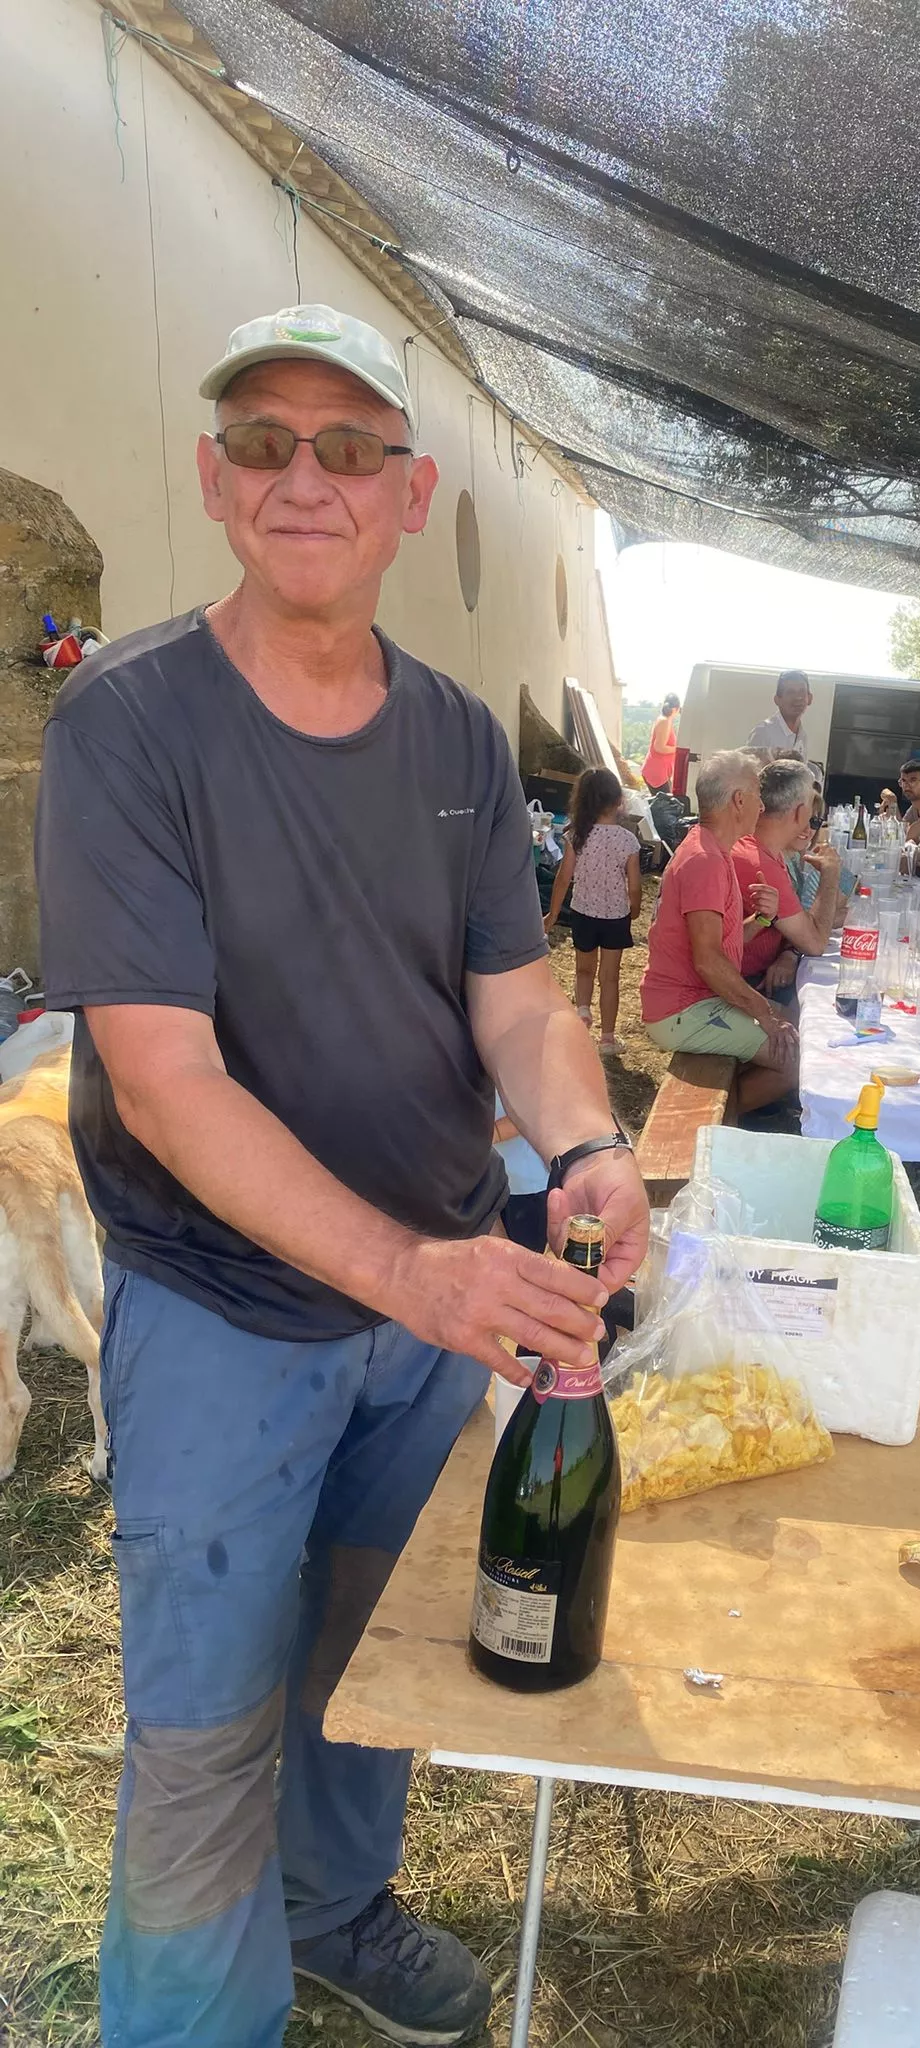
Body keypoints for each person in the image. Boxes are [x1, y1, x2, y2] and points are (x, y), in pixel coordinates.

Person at [34, 303, 649, 2048]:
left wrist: (589, 1143)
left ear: (406, 492)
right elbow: (161, 1081)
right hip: (229, 1314)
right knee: (208, 1720)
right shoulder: (126, 727)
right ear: (216, 484)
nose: (306, 476)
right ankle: (185, 2025)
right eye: (264, 442)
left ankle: (334, 1911)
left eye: (349, 445)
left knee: (365, 1669)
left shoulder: (458, 740)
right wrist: (425, 1276)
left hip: (423, 1316)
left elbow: (521, 1010)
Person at [639, 749, 798, 1111]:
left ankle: (723, 1117)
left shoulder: (711, 848)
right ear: (739, 800)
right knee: (795, 1058)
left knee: (795, 1026)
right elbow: (708, 962)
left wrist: (758, 921)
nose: (762, 806)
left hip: (692, 1001)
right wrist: (762, 1012)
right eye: (758, 794)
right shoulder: (706, 859)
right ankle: (711, 1132)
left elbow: (717, 948)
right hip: (681, 1009)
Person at [543, 767, 642, 1053]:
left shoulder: (577, 836)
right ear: (618, 800)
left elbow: (563, 878)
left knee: (583, 971)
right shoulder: (628, 841)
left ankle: (583, 1012)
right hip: (615, 918)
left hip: (583, 913)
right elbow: (635, 886)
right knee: (610, 978)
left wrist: (552, 914)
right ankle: (608, 1039)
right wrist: (634, 910)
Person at [732, 760, 842, 999]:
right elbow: (815, 944)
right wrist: (831, 875)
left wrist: (790, 952)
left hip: (749, 976)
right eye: (812, 817)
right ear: (800, 811)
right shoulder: (760, 862)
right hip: (740, 983)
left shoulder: (765, 850)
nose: (812, 826)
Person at [746, 668, 812, 759]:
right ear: (777, 700)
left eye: (802, 692)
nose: (798, 698)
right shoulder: (763, 732)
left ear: (810, 698)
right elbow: (750, 770)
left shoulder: (802, 736)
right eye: (790, 692)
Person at [641, 691, 681, 793]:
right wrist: (677, 749)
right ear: (676, 709)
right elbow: (659, 747)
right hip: (657, 772)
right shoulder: (665, 721)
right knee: (664, 806)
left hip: (659, 771)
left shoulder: (664, 720)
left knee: (665, 804)